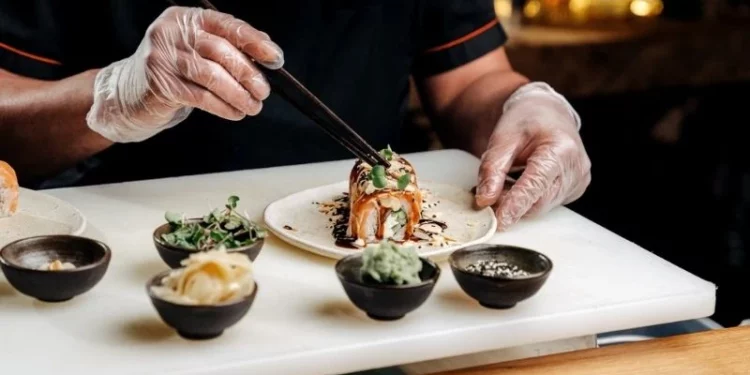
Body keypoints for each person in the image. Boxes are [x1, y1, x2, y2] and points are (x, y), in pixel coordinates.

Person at [0, 1, 591, 230]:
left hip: (369, 255)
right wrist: (111, 98)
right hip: (133, 246)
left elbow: (473, 81)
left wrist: (530, 107)